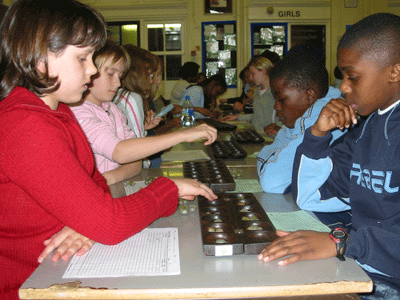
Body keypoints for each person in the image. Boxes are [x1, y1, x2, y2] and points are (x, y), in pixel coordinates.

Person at [0, 1, 217, 299]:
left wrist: (86, 223)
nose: (91, 70)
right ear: (40, 58)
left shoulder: (60, 112)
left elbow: (94, 185)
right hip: (30, 283)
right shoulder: (24, 123)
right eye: (82, 58)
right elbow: (110, 223)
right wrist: (167, 189)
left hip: (60, 270)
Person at [258, 13, 400, 299]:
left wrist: (343, 242)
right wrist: (317, 136)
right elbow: (311, 196)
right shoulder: (362, 128)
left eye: (352, 76)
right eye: (343, 76)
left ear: (394, 72)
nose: (344, 87)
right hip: (360, 267)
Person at [72, 40, 218, 184]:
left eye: (120, 76)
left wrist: (107, 179)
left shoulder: (112, 109)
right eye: (111, 74)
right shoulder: (78, 113)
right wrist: (183, 135)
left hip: (111, 188)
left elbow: (135, 161)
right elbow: (121, 152)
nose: (117, 83)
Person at [256, 51, 346, 195]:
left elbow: (271, 181)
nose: (276, 106)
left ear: (309, 96)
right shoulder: (300, 118)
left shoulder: (320, 116)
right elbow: (277, 149)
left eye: (281, 99)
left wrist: (265, 157)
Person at [222, 56, 281, 133]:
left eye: (253, 74)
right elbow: (257, 116)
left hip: (271, 137)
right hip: (258, 133)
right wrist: (237, 117)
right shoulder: (256, 92)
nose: (251, 78)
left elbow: (281, 120)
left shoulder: (275, 92)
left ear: (263, 71)